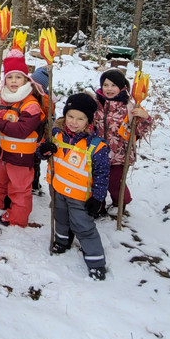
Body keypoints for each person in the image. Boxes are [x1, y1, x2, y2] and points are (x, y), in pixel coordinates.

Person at [36, 93, 111, 280]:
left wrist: (98, 198)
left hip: (81, 195)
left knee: (83, 225)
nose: (74, 122)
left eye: (80, 119)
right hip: (58, 188)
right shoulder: (56, 134)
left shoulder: (96, 146)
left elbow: (102, 175)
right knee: (60, 218)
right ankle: (63, 241)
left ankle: (95, 261)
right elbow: (41, 152)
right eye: (70, 116)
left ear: (89, 121)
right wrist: (44, 150)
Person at [0, 49, 45, 227]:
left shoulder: (31, 104)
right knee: (0, 179)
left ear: (26, 80)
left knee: (19, 187)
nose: (13, 81)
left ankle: (17, 217)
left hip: (21, 155)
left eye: (18, 77)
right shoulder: (3, 99)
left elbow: (22, 130)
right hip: (3, 151)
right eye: (10, 77)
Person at [93, 69, 153, 210]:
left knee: (115, 183)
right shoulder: (96, 105)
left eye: (113, 85)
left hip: (119, 155)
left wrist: (145, 117)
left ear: (122, 87)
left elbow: (139, 131)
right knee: (95, 181)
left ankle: (120, 204)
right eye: (106, 85)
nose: (109, 89)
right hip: (96, 153)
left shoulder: (129, 107)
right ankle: (98, 206)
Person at [30, 65, 52, 197]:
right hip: (33, 134)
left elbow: (49, 118)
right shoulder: (30, 96)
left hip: (39, 134)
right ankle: (33, 183)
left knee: (34, 161)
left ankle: (34, 184)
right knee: (32, 161)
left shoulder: (46, 100)